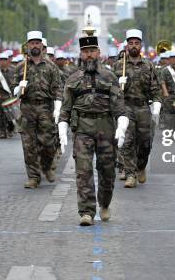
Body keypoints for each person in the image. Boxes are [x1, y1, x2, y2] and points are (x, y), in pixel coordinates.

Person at [58, 33, 128, 225]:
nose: (89, 55)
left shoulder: (109, 77)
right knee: (83, 171)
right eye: (85, 52)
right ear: (81, 54)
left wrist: (121, 126)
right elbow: (66, 108)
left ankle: (104, 203)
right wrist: (62, 129)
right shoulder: (73, 79)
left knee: (107, 171)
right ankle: (86, 212)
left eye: (92, 51)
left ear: (98, 53)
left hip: (106, 128)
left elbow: (119, 107)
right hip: (82, 129)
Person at [12, 31, 62, 189]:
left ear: (42, 45)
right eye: (31, 43)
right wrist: (19, 89)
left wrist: (58, 106)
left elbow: (58, 88)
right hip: (27, 108)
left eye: (37, 43)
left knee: (48, 142)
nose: (34, 45)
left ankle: (46, 167)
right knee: (29, 145)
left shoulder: (51, 67)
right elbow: (14, 90)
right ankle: (33, 176)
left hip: (46, 108)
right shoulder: (21, 67)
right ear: (27, 46)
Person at [114, 29, 161, 188]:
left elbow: (155, 89)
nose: (133, 46)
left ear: (141, 45)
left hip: (143, 108)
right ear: (127, 45)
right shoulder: (119, 65)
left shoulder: (148, 65)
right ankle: (130, 174)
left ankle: (141, 166)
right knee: (127, 142)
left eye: (137, 43)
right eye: (131, 43)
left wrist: (157, 106)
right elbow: (111, 89)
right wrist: (117, 86)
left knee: (145, 143)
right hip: (126, 107)